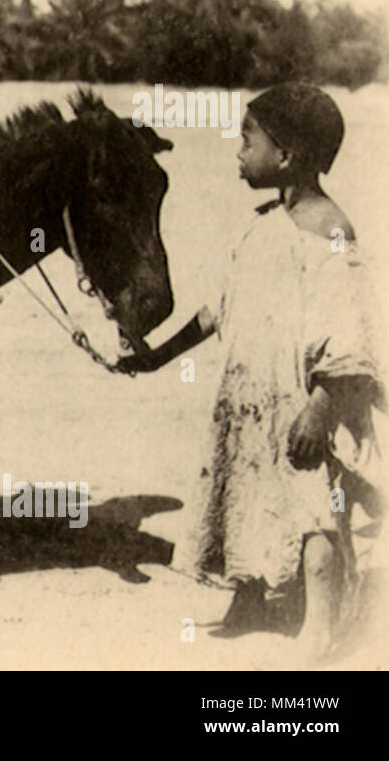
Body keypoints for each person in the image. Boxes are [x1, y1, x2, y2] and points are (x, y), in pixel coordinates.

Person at [119, 84, 383, 660]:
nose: (238, 152)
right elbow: (219, 309)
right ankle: (250, 596)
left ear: (286, 156)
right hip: (249, 399)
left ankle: (322, 618)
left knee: (316, 508)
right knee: (245, 492)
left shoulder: (329, 230)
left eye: (248, 141)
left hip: (304, 398)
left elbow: (349, 328)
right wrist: (157, 354)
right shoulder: (261, 225)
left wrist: (320, 406)